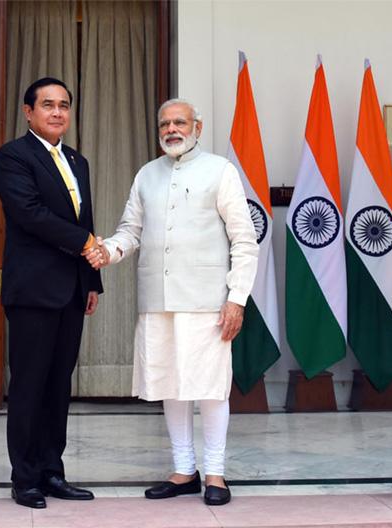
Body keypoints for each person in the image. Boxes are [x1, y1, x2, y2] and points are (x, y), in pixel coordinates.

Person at [85, 98, 258, 506]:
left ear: (198, 126)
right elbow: (131, 230)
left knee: (212, 388)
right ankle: (184, 471)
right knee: (170, 385)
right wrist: (107, 251)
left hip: (208, 302)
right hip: (158, 300)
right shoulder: (147, 174)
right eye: (164, 123)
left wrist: (236, 299)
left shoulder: (221, 170)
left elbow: (244, 241)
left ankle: (215, 473)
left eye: (180, 122)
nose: (171, 129)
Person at [0, 77, 103, 509]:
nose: (57, 112)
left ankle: (52, 471)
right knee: (29, 386)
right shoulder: (13, 156)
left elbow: (87, 219)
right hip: (33, 291)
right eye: (47, 105)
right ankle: (24, 478)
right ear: (28, 112)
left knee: (59, 385)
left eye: (64, 105)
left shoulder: (78, 161)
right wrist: (85, 245)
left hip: (72, 291)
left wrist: (91, 280)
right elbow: (29, 213)